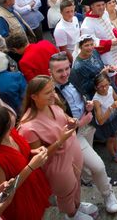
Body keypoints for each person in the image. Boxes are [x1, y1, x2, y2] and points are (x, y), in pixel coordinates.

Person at [48, 54, 117, 213]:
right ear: (50, 72)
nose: (65, 73)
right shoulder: (48, 92)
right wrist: (80, 123)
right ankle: (108, 195)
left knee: (85, 166)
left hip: (88, 125)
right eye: (59, 71)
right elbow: (52, 122)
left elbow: (80, 94)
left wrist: (86, 104)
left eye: (67, 68)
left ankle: (85, 188)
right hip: (73, 134)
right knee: (98, 166)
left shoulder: (72, 76)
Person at [19, 75, 97, 220]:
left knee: (76, 182)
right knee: (66, 192)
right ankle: (72, 214)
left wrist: (71, 121)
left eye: (52, 89)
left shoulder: (52, 104)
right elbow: (39, 158)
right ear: (34, 96)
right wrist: (60, 141)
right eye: (48, 92)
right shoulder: (28, 127)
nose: (53, 94)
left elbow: (63, 119)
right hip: (57, 163)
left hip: (72, 150)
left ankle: (77, 205)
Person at [0, 105, 51, 220]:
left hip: (32, 184)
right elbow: (3, 194)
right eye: (8, 116)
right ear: (1, 128)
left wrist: (32, 151)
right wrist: (31, 167)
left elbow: (19, 152)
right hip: (21, 199)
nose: (12, 114)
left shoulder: (11, 133)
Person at [92, 73, 117, 163]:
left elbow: (116, 99)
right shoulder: (96, 100)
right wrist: (111, 107)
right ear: (95, 87)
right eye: (101, 87)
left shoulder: (110, 89)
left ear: (109, 83)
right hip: (106, 123)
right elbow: (100, 121)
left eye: (106, 85)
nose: (104, 89)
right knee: (110, 139)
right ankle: (113, 155)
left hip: (113, 117)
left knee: (115, 135)